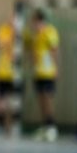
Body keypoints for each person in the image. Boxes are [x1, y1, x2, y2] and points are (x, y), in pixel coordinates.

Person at [27, 8, 60, 142]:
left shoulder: (50, 32)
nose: (33, 25)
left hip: (48, 71)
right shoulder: (35, 35)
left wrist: (56, 68)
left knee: (47, 98)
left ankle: (52, 126)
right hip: (38, 71)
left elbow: (55, 51)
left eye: (34, 21)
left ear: (40, 20)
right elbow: (33, 51)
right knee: (40, 99)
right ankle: (45, 125)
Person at [0, 4, 26, 137]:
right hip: (3, 71)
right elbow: (1, 44)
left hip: (17, 73)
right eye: (12, 17)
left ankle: (14, 125)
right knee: (2, 100)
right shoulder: (4, 30)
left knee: (15, 101)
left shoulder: (23, 32)